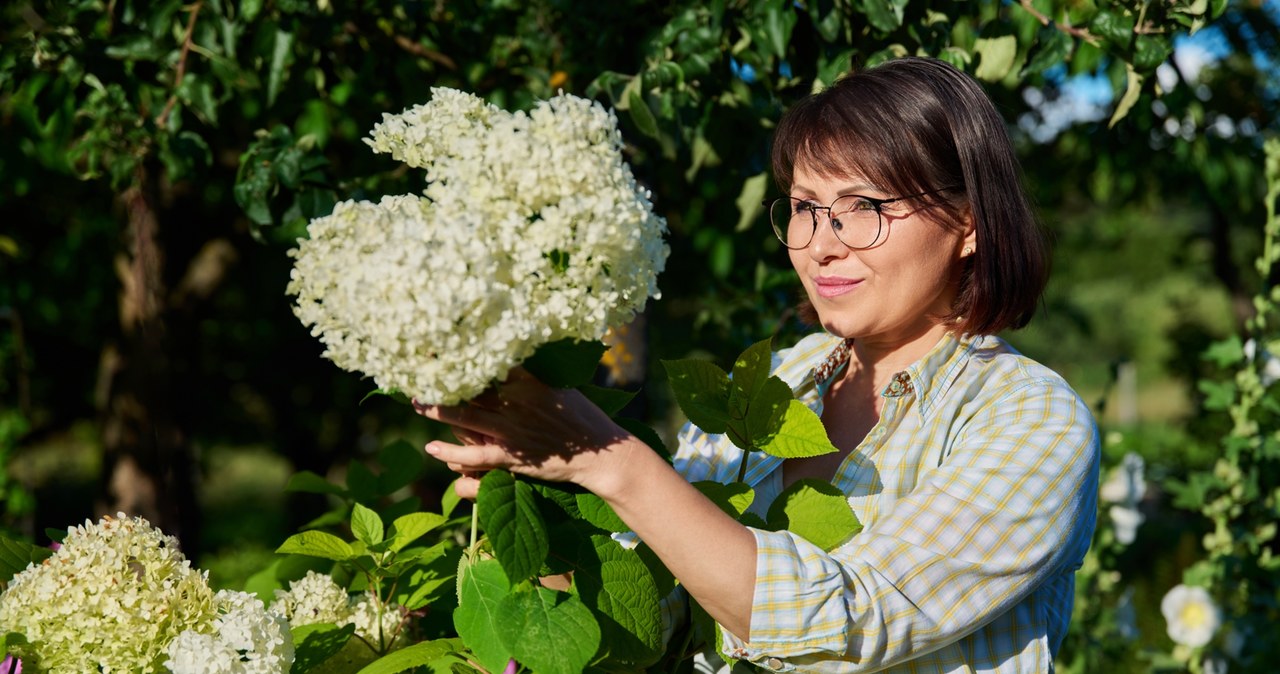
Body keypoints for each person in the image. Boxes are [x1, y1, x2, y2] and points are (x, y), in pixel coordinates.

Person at [416, 56, 1100, 673]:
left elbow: (852, 625)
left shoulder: (1028, 418)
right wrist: (548, 517)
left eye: (863, 206)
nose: (820, 245)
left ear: (970, 221)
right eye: (805, 207)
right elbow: (654, 619)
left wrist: (611, 460)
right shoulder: (775, 384)